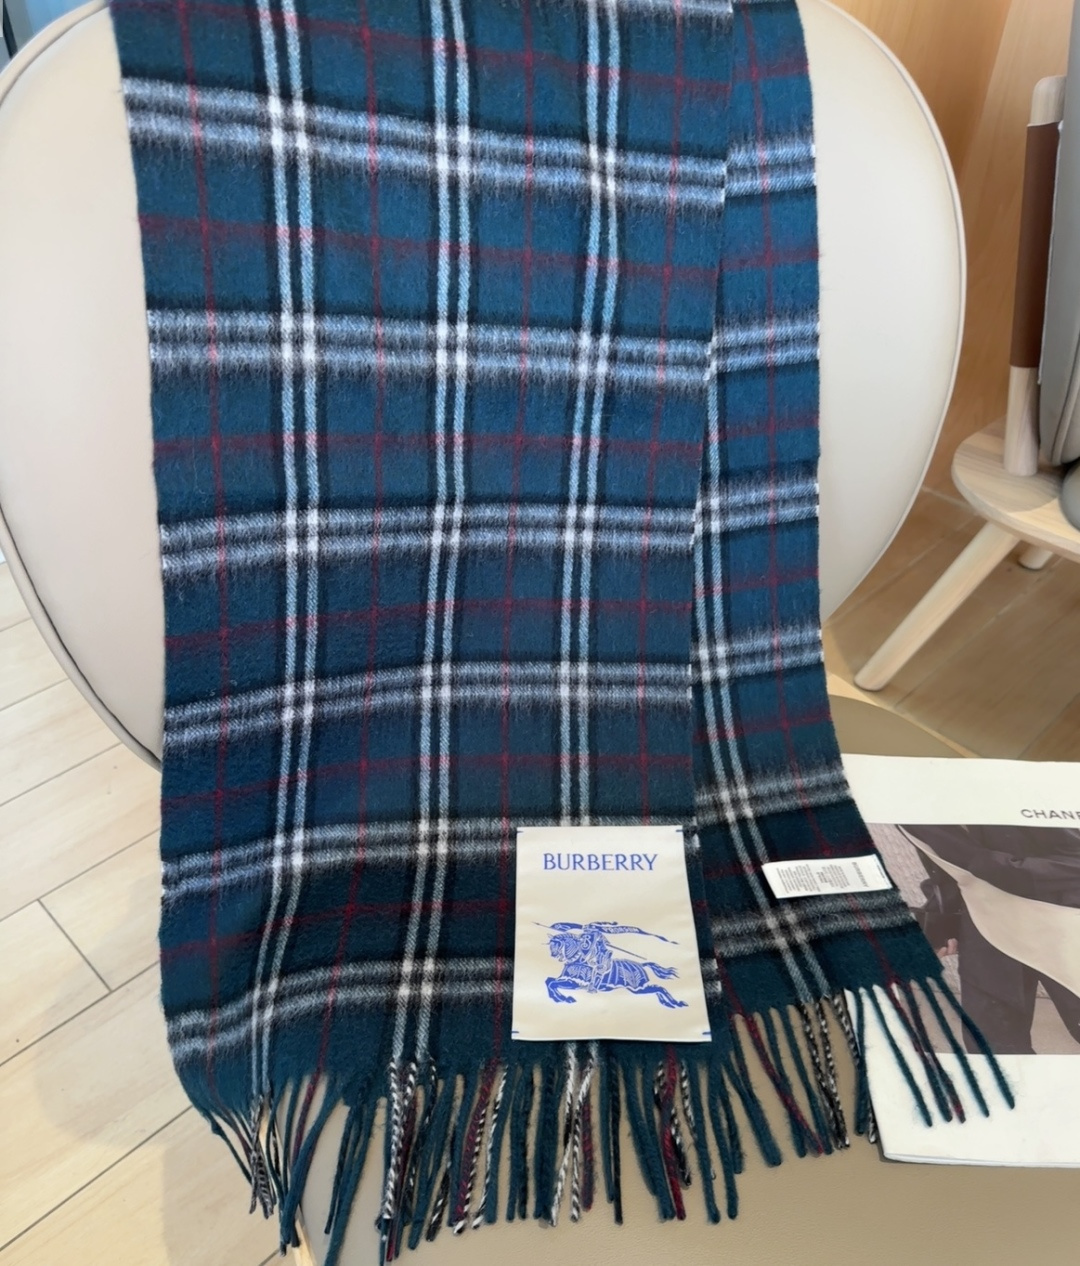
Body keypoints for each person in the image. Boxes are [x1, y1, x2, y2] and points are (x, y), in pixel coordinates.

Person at [901, 823, 1080, 1055]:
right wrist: (941, 923)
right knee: (993, 1048)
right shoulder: (907, 810)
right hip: (985, 926)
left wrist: (984, 864)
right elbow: (946, 868)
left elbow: (1074, 859)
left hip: (1062, 917)